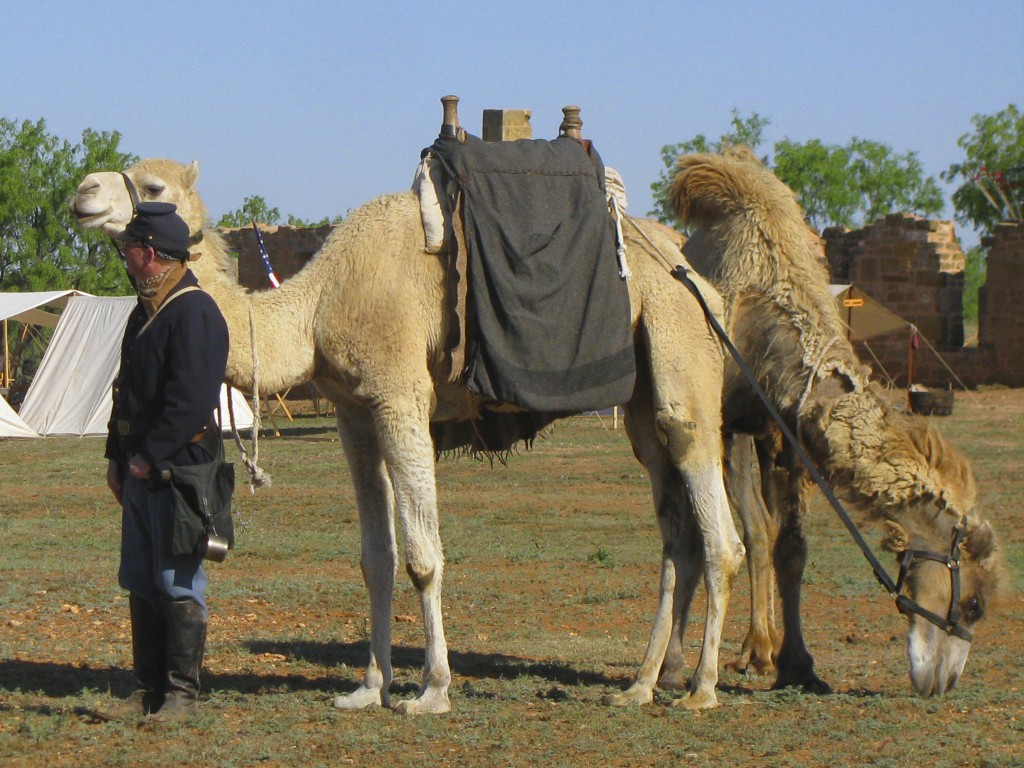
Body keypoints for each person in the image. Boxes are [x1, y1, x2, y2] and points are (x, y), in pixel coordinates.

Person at [99, 202, 229, 722]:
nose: (125, 257)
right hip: (140, 467)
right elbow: (125, 391)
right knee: (140, 577)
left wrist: (148, 459)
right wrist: (117, 455)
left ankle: (180, 696)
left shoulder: (196, 311)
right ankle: (146, 691)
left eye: (129, 248)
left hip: (180, 470)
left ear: (149, 252)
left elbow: (190, 402)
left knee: (178, 580)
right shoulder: (144, 309)